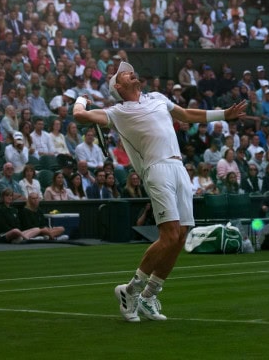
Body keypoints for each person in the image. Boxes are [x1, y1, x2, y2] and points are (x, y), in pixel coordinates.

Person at [73, 61, 246, 322]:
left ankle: (149, 295)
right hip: (156, 169)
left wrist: (223, 114)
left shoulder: (157, 97)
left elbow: (186, 115)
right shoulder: (117, 111)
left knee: (181, 236)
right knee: (169, 235)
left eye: (131, 69)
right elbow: (80, 116)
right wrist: (80, 99)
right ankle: (129, 290)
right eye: (125, 73)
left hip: (178, 167)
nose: (132, 72)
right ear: (118, 86)